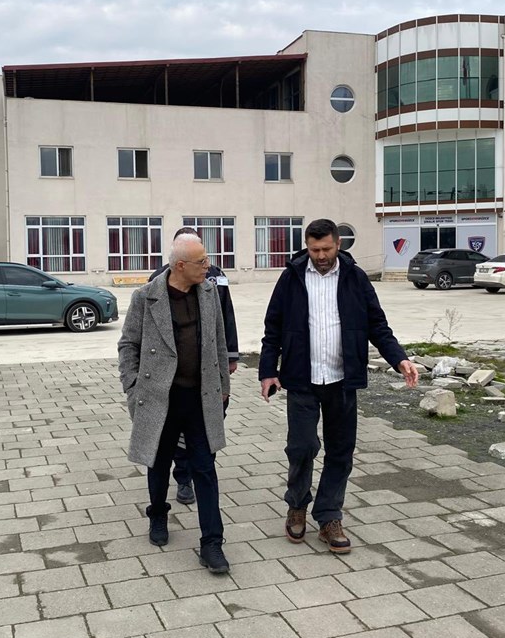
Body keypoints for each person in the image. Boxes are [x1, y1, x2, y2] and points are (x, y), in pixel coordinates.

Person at [259, 218, 419, 554]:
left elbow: (377, 325)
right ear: (307, 246)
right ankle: (297, 506)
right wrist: (268, 371)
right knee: (302, 447)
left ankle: (329, 516)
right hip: (301, 379)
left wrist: (399, 359)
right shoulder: (291, 277)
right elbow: (273, 328)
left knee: (340, 451)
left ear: (338, 245)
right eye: (314, 249)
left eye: (326, 249)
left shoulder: (355, 278)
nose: (320, 255)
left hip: (342, 380)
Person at [119, 233, 232, 573]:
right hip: (160, 397)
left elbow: (219, 341)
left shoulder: (209, 293)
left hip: (199, 397)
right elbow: (128, 345)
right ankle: (158, 513)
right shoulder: (146, 297)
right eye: (202, 261)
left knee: (205, 468)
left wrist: (223, 388)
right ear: (181, 266)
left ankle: (212, 542)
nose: (208, 265)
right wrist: (133, 387)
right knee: (158, 461)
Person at [149, 227, 239, 506]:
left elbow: (226, 316)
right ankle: (183, 477)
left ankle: (202, 470)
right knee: (175, 436)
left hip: (208, 373)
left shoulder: (215, 276)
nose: (204, 263)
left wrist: (230, 357)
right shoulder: (156, 281)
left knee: (210, 426)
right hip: (173, 380)